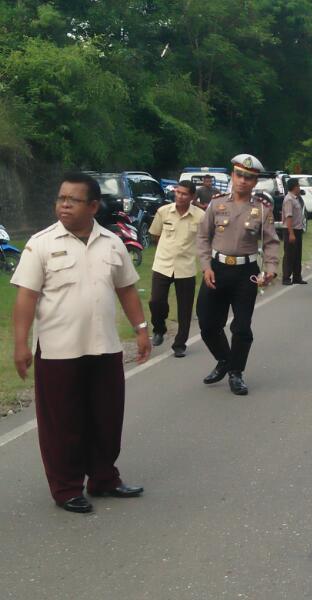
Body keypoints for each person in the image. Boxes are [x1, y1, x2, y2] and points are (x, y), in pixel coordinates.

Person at [11, 172, 151, 514]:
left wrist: (141, 328)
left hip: (104, 348)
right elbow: (26, 298)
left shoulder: (112, 242)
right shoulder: (40, 243)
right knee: (63, 425)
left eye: (72, 200)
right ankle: (66, 488)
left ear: (93, 205)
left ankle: (104, 478)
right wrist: (20, 345)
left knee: (106, 419)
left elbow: (126, 289)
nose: (63, 206)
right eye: (60, 199)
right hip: (59, 352)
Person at [196, 154, 280, 396]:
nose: (243, 181)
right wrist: (206, 266)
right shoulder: (216, 204)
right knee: (207, 322)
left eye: (249, 178)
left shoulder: (262, 210)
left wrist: (271, 268)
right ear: (232, 176)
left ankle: (236, 373)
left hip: (246, 273)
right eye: (239, 175)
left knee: (242, 327)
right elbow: (203, 237)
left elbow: (272, 242)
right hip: (217, 269)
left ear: (255, 182)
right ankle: (224, 359)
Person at [148, 180, 206, 358]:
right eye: (178, 192)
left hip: (186, 267)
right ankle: (159, 328)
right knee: (156, 301)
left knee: (185, 308)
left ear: (192, 197)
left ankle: (180, 343)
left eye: (184, 194)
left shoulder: (200, 216)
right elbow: (155, 234)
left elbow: (205, 240)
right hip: (163, 264)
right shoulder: (164, 211)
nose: (180, 196)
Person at [281, 177, 307, 285]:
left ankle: (297, 276)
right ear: (294, 187)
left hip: (298, 229)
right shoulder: (289, 199)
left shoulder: (296, 198)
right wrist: (291, 233)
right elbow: (289, 217)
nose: (299, 188)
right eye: (298, 186)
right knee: (289, 254)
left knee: (297, 254)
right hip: (290, 230)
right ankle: (286, 277)